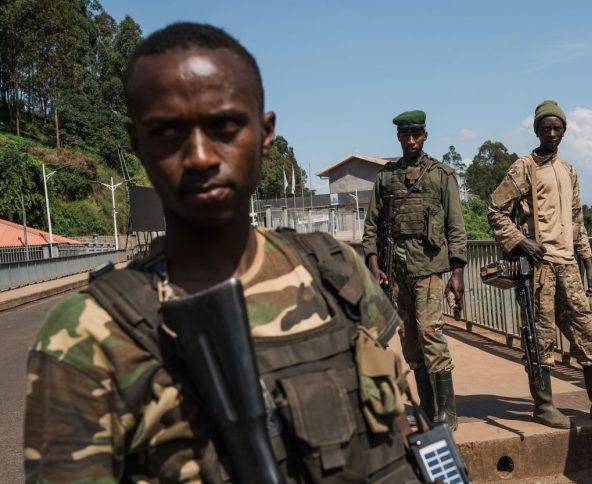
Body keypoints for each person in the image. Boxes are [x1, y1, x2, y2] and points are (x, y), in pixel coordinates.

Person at [23, 22, 420, 482]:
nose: (200, 156)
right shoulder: (87, 335)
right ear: (138, 146)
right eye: (168, 131)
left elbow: (397, 429)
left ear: (265, 132)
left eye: (224, 125)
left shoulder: (331, 268)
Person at [487, 100, 592, 429]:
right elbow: (495, 211)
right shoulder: (523, 168)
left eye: (557, 129)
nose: (552, 134)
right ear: (537, 131)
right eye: (546, 128)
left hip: (568, 265)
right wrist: (521, 242)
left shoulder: (568, 170)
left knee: (589, 333)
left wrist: (588, 263)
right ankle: (544, 406)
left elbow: (577, 220)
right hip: (539, 268)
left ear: (564, 131)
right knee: (539, 337)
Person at [362, 111, 467, 430]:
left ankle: (448, 413)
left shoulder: (441, 175)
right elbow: (371, 228)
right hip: (397, 272)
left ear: (425, 136)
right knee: (409, 339)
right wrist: (373, 262)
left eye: (416, 134)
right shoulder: (385, 177)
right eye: (405, 135)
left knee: (430, 333)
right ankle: (427, 405)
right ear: (398, 137)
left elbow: (456, 227)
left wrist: (457, 272)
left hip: (430, 267)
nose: (410, 140)